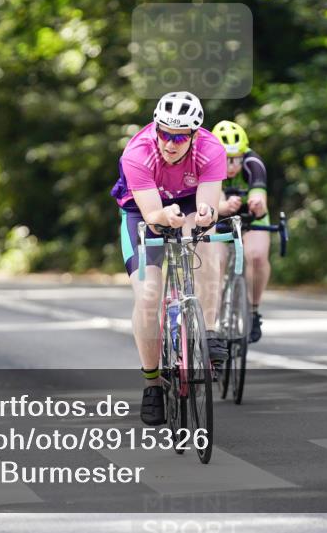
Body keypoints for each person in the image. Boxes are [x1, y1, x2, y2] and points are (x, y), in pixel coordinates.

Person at [111, 92, 227, 425]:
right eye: (164, 132)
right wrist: (166, 216)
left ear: (194, 135)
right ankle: (152, 384)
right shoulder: (138, 152)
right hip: (142, 209)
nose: (170, 143)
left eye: (179, 136)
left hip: (188, 203)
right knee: (148, 295)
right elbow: (152, 215)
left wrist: (204, 215)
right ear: (155, 128)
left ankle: (210, 332)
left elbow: (206, 209)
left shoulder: (211, 150)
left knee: (205, 244)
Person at [212, 120, 271, 343]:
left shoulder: (253, 162)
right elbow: (212, 204)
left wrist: (257, 204)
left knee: (256, 256)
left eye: (236, 158)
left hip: (249, 216)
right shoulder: (206, 163)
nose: (231, 165)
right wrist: (224, 206)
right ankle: (212, 317)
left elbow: (260, 198)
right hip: (217, 215)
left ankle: (253, 310)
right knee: (215, 261)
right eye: (226, 159)